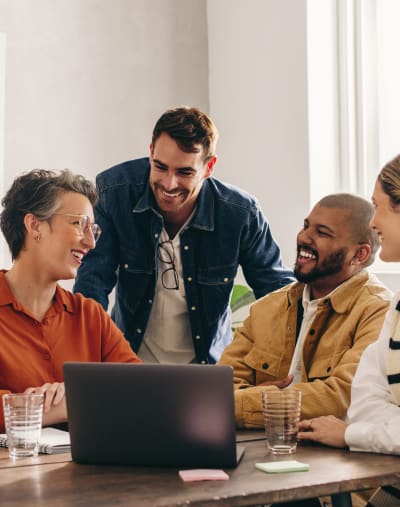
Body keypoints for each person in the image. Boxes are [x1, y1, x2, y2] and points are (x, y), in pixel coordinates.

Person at [73, 106, 294, 364]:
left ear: (209, 167)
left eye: (185, 172)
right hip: (129, 363)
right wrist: (88, 365)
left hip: (207, 369)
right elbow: (92, 285)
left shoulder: (241, 214)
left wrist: (267, 367)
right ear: (151, 152)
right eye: (160, 167)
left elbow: (278, 296)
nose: (169, 184)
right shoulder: (115, 192)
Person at [218, 193, 392, 428]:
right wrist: (246, 401)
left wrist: (259, 401)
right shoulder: (268, 307)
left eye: (322, 233)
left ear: (359, 254)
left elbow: (340, 396)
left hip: (343, 459)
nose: (304, 237)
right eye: (306, 226)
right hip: (263, 445)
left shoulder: (379, 311)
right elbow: (221, 386)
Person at [0, 169, 141, 432]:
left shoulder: (90, 316)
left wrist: (73, 394)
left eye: (93, 230)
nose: (91, 242)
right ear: (34, 226)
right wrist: (74, 402)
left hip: (87, 471)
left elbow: (139, 389)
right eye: (79, 224)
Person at [298, 155, 400, 507]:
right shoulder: (399, 305)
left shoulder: (376, 305)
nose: (374, 222)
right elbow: (366, 397)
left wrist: (350, 435)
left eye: (379, 207)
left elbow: (351, 409)